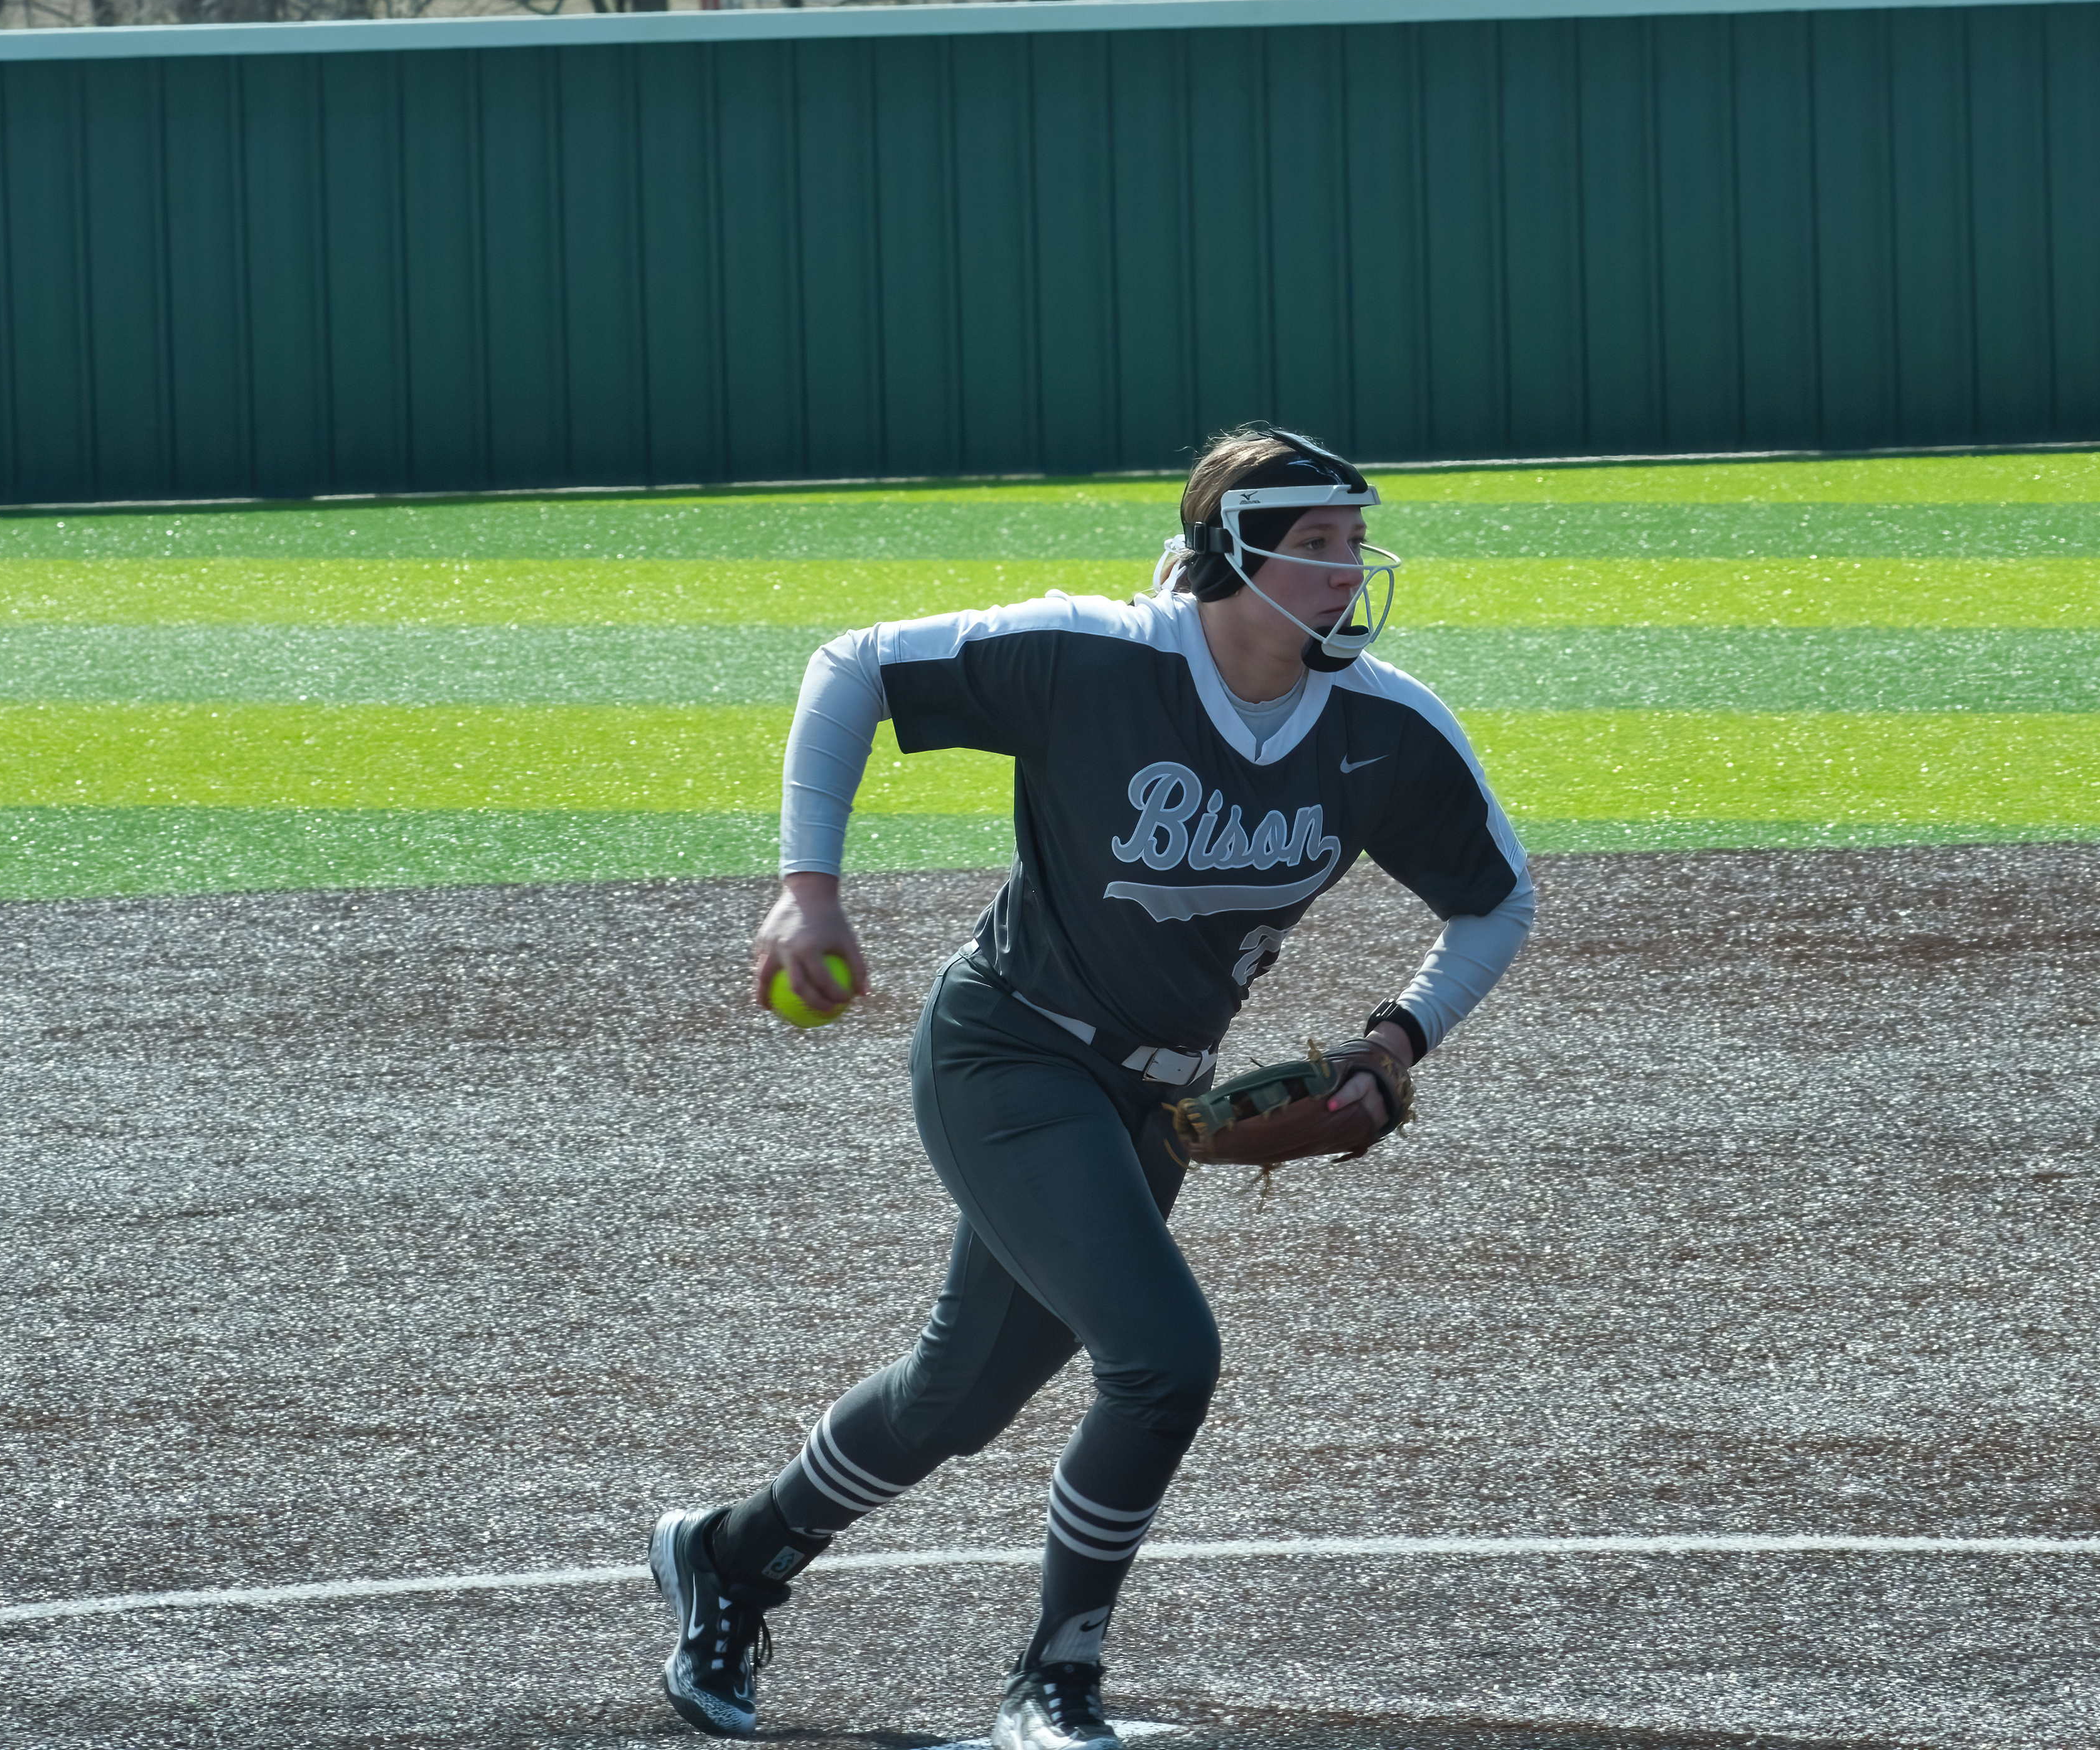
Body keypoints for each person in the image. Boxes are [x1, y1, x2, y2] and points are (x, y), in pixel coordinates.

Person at [647, 426, 1537, 1746]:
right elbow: (853, 667)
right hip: (1011, 1052)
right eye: (1316, 545)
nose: (1350, 572)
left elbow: (1497, 901)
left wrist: (1400, 1038)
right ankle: (1054, 1682)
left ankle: (732, 1554)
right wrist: (808, 891)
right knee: (1164, 1360)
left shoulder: (1383, 727)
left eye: (1356, 543)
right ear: (1231, 553)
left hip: (1158, 1106)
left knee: (958, 1395)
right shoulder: (1098, 656)